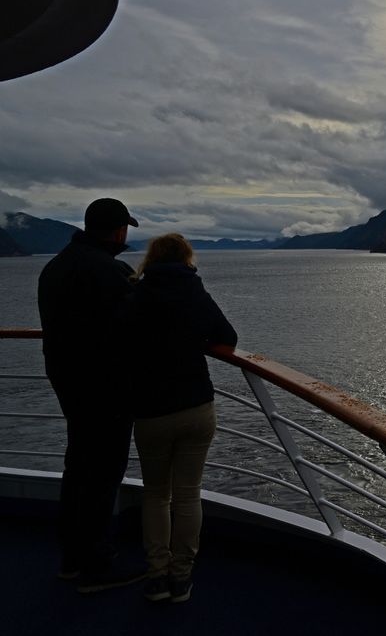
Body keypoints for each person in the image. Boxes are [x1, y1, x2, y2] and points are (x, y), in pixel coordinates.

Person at [37, 197, 146, 592]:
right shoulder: (108, 271)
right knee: (102, 473)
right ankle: (95, 563)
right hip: (107, 389)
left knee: (79, 466)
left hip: (68, 383)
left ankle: (71, 556)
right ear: (119, 230)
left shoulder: (55, 268)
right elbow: (137, 325)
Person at [122, 233, 237, 603]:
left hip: (151, 410)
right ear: (187, 257)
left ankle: (156, 576)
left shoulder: (135, 295)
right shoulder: (194, 292)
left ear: (151, 259)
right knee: (188, 495)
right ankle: (181, 578)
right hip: (195, 406)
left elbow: (117, 340)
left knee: (156, 494)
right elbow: (227, 337)